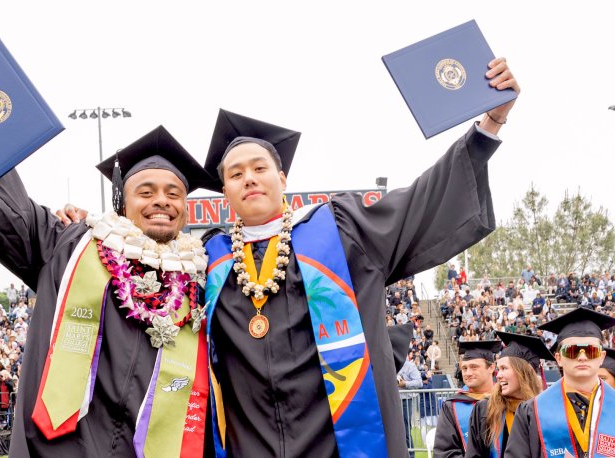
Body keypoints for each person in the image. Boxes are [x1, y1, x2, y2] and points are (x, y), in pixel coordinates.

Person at [198, 61, 518, 457]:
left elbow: (420, 202)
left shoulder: (338, 231)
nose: (248, 178)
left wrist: (489, 126)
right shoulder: (208, 263)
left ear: (282, 179)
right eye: (235, 173)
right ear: (223, 190)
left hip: (338, 443)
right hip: (250, 445)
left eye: (260, 167)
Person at [0, 38, 215, 458]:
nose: (162, 201)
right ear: (121, 202)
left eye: (174, 192)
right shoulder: (72, 243)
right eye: (147, 190)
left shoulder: (207, 275)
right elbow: (10, 217)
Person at [506, 308, 615, 457]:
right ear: (558, 358)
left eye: (591, 350)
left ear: (602, 357)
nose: (582, 357)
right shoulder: (531, 411)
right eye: (572, 350)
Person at [465, 332, 553, 457]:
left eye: (504, 368)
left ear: (524, 372)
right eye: (498, 369)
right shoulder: (485, 409)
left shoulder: (543, 410)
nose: (498, 375)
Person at [433, 340, 501, 458]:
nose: (468, 373)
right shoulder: (452, 407)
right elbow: (445, 453)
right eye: (464, 368)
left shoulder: (506, 400)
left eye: (474, 367)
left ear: (491, 368)